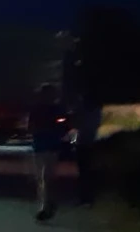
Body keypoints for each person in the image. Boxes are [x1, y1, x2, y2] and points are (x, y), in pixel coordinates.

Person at [27, 84, 69, 221]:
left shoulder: (40, 109)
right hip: (48, 146)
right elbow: (63, 126)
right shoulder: (54, 109)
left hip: (45, 146)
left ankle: (45, 206)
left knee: (43, 178)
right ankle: (46, 204)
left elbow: (31, 127)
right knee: (45, 178)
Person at [71, 93, 102, 205]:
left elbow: (76, 123)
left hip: (85, 143)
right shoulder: (96, 111)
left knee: (85, 172)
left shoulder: (85, 112)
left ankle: (86, 198)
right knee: (88, 171)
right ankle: (87, 197)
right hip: (89, 142)